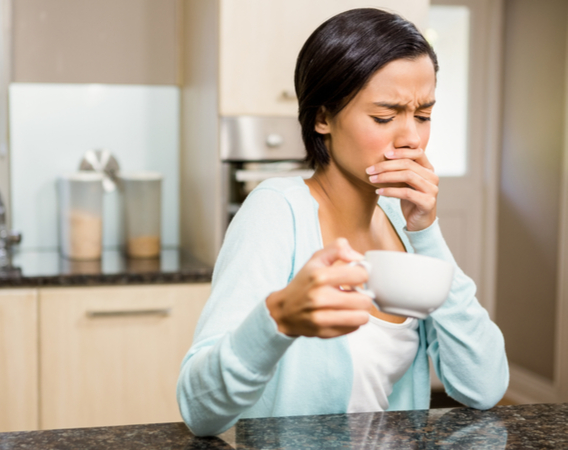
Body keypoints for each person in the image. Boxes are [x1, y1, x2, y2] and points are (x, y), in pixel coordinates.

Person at [176, 8, 509, 437]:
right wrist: (275, 320)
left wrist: (426, 232)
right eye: (385, 117)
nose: (410, 138)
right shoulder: (276, 212)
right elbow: (199, 412)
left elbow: (484, 386)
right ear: (322, 118)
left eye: (423, 115)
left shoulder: (400, 222)